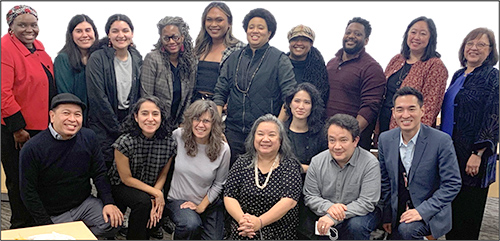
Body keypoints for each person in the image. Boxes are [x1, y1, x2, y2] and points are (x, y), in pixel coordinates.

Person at [19, 93, 123, 238]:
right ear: (52, 116)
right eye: (66, 113)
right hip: (53, 212)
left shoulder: (89, 137)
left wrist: (108, 202)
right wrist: (46, 225)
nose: (72, 119)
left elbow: (99, 173)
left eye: (77, 114)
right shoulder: (33, 148)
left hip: (84, 203)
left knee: (114, 222)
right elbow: (28, 191)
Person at [213, 8, 297, 167]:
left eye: (260, 27)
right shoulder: (233, 58)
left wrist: (276, 129)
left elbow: (290, 98)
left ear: (269, 32)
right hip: (233, 132)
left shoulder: (279, 59)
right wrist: (217, 127)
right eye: (251, 27)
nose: (255, 31)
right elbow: (220, 93)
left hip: (264, 136)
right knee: (230, 179)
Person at [378, 87, 461, 240]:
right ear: (393, 112)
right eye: (400, 109)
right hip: (399, 209)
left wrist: (421, 211)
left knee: (407, 230)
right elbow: (385, 182)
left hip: (431, 212)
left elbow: (452, 184)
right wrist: (387, 216)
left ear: (422, 110)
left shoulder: (441, 141)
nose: (405, 115)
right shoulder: (385, 139)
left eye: (412, 109)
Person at [1, 5, 57, 229]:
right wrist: (17, 128)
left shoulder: (38, 47)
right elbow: (3, 92)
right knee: (19, 180)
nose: (29, 29)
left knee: (37, 180)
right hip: (18, 130)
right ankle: (19, 224)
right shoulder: (5, 48)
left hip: (41, 127)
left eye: (33, 24)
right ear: (11, 27)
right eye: (22, 24)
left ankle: (37, 223)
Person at [442, 28, 499, 240]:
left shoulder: (493, 77)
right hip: (451, 153)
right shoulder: (458, 75)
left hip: (473, 156)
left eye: (481, 45)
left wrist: (479, 152)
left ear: (490, 51)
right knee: (451, 212)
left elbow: (494, 115)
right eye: (470, 43)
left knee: (467, 216)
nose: (474, 48)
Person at [107, 96, 177, 240]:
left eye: (155, 114)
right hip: (120, 185)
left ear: (161, 117)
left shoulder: (169, 143)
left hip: (151, 186)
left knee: (151, 208)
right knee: (143, 202)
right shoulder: (124, 142)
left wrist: (155, 194)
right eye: (144, 113)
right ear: (136, 117)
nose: (150, 119)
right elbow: (126, 179)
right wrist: (156, 195)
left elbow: (163, 174)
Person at [302, 114, 381, 240]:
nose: (337, 146)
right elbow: (310, 196)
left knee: (356, 225)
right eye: (332, 140)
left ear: (355, 141)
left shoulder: (369, 163)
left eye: (343, 140)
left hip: (360, 214)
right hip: (326, 211)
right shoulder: (317, 161)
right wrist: (329, 207)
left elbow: (367, 202)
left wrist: (334, 216)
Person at [224, 114, 302, 240]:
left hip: (278, 231)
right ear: (253, 137)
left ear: (281, 139)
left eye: (271, 135)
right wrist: (244, 221)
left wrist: (259, 222)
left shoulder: (290, 165)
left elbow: (289, 201)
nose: (265, 139)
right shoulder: (242, 162)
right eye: (260, 134)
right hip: (243, 229)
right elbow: (229, 195)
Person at [166, 100, 230, 239]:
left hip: (208, 202)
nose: (200, 125)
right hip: (179, 200)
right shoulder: (178, 136)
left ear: (214, 124)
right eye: (196, 119)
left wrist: (201, 206)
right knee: (190, 224)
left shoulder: (223, 148)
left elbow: (219, 183)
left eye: (206, 121)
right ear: (190, 120)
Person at [86, 13, 143, 169]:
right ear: (108, 34)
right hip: (104, 124)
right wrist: (118, 129)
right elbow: (97, 97)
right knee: (106, 170)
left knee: (127, 171)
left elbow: (139, 95)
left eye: (125, 30)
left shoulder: (137, 57)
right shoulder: (97, 58)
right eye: (115, 31)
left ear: (131, 33)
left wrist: (131, 124)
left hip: (129, 121)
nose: (121, 35)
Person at [378, 16, 448, 134]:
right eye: (413, 32)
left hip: (410, 132)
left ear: (431, 38)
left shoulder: (435, 66)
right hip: (385, 127)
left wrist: (414, 136)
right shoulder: (397, 60)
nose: (416, 37)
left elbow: (430, 107)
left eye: (423, 33)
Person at [325, 17, 386, 151]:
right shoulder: (331, 63)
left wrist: (347, 137)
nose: (351, 36)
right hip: (327, 139)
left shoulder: (372, 68)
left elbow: (370, 108)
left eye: (357, 34)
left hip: (352, 145)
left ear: (366, 41)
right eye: (348, 32)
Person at [141, 16, 197, 126]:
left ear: (182, 37)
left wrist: (183, 123)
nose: (171, 42)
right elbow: (146, 97)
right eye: (166, 38)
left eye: (175, 37)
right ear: (161, 39)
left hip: (179, 124)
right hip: (155, 123)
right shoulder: (152, 59)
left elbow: (189, 95)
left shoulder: (191, 61)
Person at [192, 1, 246, 101]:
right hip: (195, 106)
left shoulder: (240, 49)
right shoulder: (198, 48)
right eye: (209, 20)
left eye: (219, 20)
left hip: (222, 109)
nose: (213, 24)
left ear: (229, 23)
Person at [54, 14, 99, 126]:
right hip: (75, 121)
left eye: (88, 30)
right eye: (79, 31)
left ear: (94, 33)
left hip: (99, 122)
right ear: (71, 35)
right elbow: (65, 95)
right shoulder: (63, 59)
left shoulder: (100, 57)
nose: (84, 35)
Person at [286, 24, 329, 104]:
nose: (299, 43)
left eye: (304, 40)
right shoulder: (279, 64)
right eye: (295, 39)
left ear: (311, 44)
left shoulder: (320, 71)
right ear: (289, 42)